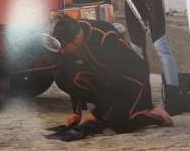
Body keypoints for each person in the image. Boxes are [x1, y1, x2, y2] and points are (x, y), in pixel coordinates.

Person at [44, 13, 173, 140]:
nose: (62, 51)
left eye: (64, 47)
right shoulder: (73, 33)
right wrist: (76, 114)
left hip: (131, 81)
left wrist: (96, 114)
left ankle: (154, 115)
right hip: (105, 78)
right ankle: (111, 113)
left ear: (77, 39)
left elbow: (115, 85)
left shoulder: (105, 39)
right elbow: (71, 74)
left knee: (119, 124)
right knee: (62, 74)